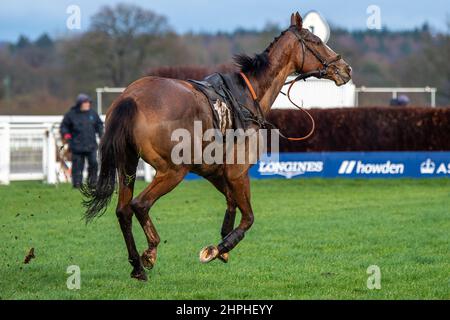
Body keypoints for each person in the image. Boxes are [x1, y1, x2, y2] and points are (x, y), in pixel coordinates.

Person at [60, 94, 103, 188]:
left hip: (91, 145)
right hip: (76, 146)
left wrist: (101, 134)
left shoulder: (93, 113)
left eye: (88, 102)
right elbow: (64, 126)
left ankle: (92, 182)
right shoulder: (71, 114)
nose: (88, 104)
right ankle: (77, 183)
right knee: (77, 166)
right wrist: (66, 134)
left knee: (94, 164)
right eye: (85, 103)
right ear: (80, 104)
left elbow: (99, 125)